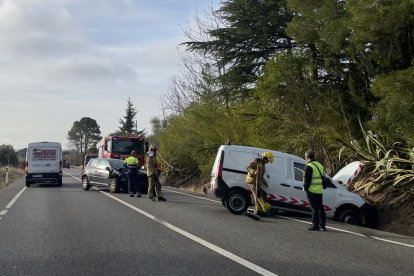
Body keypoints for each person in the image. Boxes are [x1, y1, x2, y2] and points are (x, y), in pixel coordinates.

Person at [303, 150, 326, 231]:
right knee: (320, 208)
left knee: (314, 208)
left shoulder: (308, 166)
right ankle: (322, 225)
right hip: (319, 190)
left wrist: (305, 189)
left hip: (311, 190)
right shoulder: (320, 165)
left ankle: (315, 225)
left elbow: (307, 181)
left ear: (307, 157)